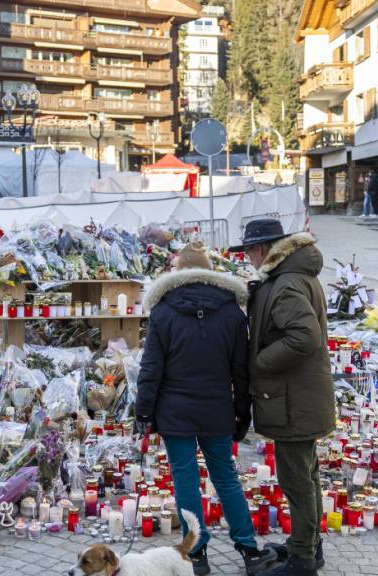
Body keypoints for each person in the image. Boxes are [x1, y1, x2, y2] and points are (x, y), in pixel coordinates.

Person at [135, 240, 277, 576]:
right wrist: (243, 412)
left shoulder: (164, 310)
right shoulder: (231, 311)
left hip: (175, 412)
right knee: (226, 477)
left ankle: (196, 555)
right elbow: (240, 371)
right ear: (210, 273)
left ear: (179, 272)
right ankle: (248, 549)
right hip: (217, 410)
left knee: (186, 479)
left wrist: (143, 413)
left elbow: (151, 368)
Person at [231, 220, 336, 576]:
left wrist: (260, 362)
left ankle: (303, 559)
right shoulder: (289, 277)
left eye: (249, 251)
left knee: (296, 479)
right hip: (298, 395)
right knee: (305, 474)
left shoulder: (287, 283)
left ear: (265, 249)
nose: (248, 257)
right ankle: (306, 546)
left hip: (295, 398)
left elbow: (304, 337)